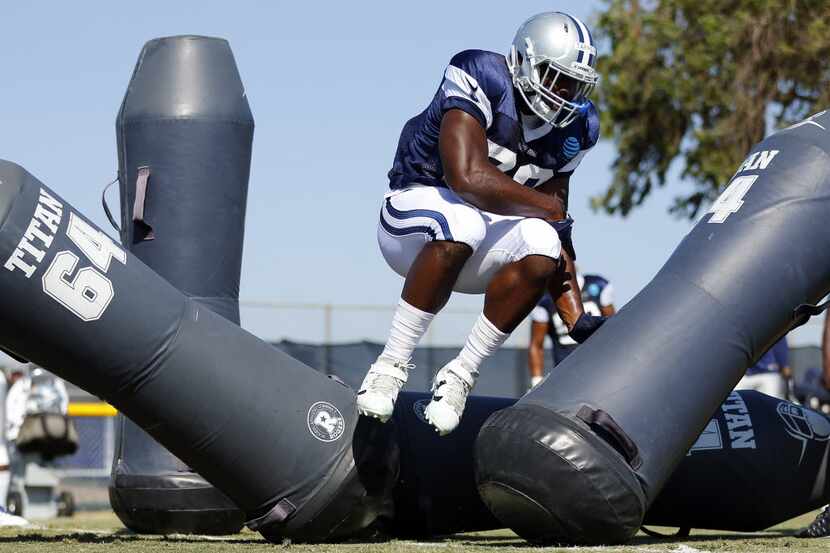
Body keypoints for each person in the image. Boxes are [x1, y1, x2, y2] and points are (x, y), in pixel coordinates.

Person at [357, 11, 606, 435]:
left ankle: (460, 376)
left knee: (542, 242)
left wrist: (576, 316)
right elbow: (467, 178)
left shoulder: (577, 128)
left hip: (479, 241)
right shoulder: (482, 74)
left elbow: (556, 223)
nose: (565, 93)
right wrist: (550, 212)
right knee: (465, 221)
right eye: (555, 76)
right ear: (525, 62)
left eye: (574, 83)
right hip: (411, 218)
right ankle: (390, 365)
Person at [528, 271, 614, 387]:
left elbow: (613, 325)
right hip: (566, 372)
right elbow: (536, 345)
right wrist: (536, 382)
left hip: (601, 367)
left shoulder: (597, 286)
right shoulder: (545, 300)